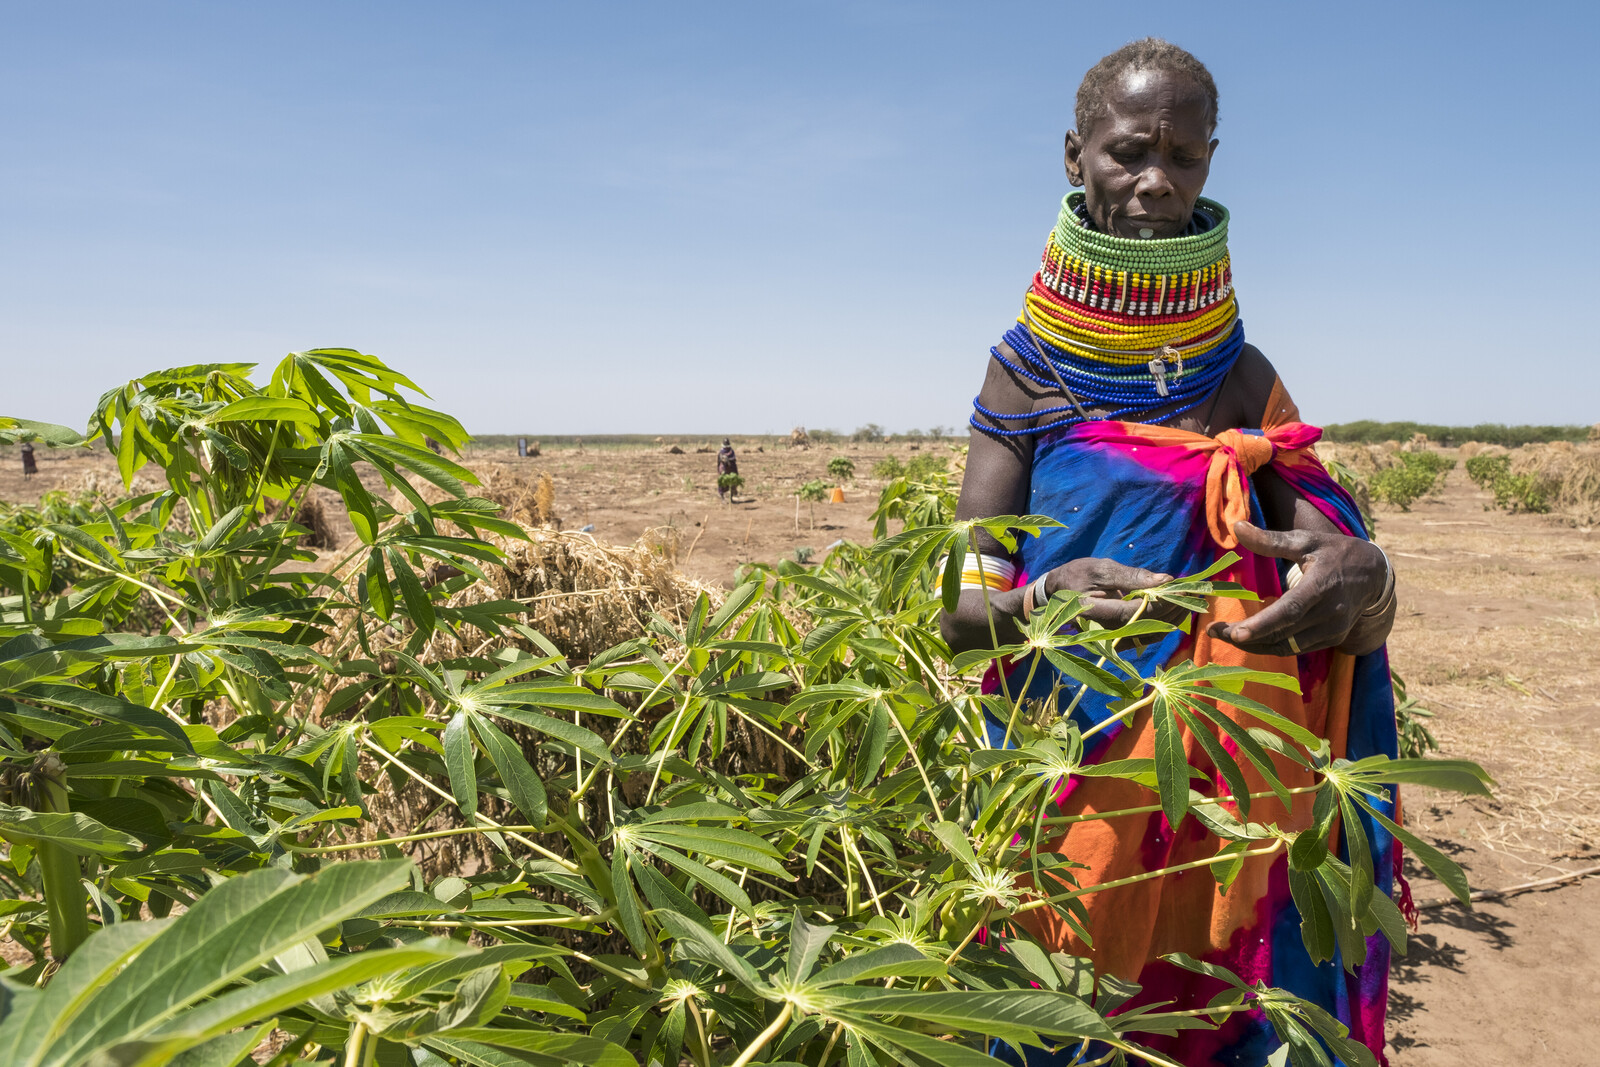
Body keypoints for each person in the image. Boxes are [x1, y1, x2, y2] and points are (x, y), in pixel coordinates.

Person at [942, 39, 1399, 1066]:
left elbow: (1327, 540)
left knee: (1214, 1006)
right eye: (1126, 152)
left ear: (1209, 162)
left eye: (1183, 158)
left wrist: (1361, 571)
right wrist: (1045, 595)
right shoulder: (1022, 373)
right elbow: (959, 611)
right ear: (1073, 155)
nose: (1155, 180)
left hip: (1230, 777)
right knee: (1063, 1008)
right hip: (1068, 758)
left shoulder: (1240, 375)